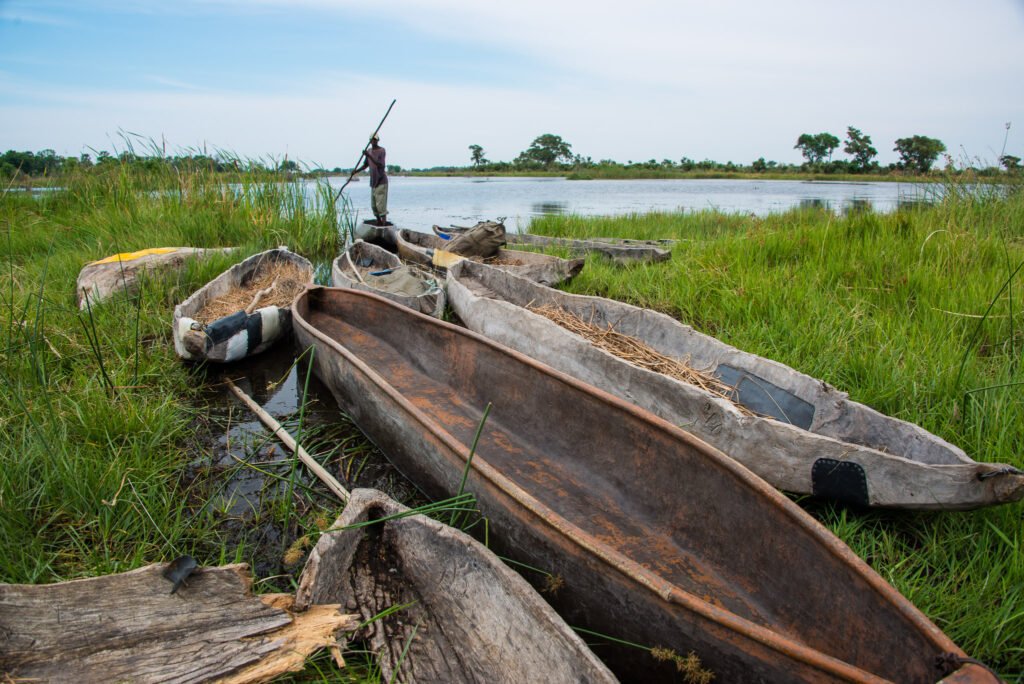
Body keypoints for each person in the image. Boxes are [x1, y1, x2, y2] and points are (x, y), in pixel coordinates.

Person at [354, 133, 388, 225]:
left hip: (381, 181)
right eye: (371, 140)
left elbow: (380, 164)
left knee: (381, 206)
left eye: (375, 139)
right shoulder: (369, 151)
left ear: (378, 140)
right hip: (373, 182)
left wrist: (369, 156)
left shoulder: (382, 150)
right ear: (370, 141)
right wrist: (356, 171)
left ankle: (383, 226)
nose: (373, 141)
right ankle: (379, 223)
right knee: (374, 206)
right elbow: (365, 165)